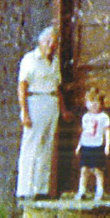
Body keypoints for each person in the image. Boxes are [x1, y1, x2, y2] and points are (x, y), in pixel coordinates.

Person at [15, 26, 72, 200]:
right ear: (40, 42)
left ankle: (41, 189)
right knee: (32, 146)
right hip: (35, 101)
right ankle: (25, 190)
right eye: (48, 41)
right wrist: (24, 112)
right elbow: (22, 86)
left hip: (51, 103)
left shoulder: (54, 62)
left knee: (47, 147)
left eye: (54, 42)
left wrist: (63, 110)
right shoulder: (30, 60)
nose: (51, 45)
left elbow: (58, 88)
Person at [74, 87, 110, 201]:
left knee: (97, 169)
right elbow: (84, 132)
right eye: (90, 102)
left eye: (96, 102)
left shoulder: (104, 117)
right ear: (86, 103)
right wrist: (79, 145)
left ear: (101, 103)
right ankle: (82, 191)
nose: (93, 105)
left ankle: (99, 191)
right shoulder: (85, 117)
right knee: (84, 169)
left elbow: (107, 131)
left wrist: (107, 146)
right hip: (86, 145)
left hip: (97, 146)